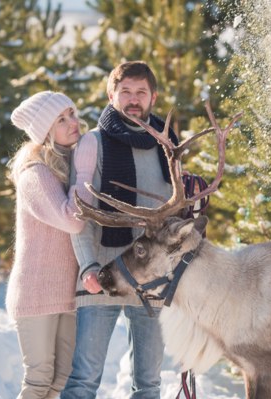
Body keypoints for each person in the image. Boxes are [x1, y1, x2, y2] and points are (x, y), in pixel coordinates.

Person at [61, 61, 178, 399]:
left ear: (153, 97)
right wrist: (88, 267)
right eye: (125, 91)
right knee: (84, 379)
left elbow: (173, 214)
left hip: (153, 278)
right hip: (103, 273)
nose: (133, 99)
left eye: (140, 92)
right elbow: (79, 213)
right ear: (111, 94)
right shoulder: (92, 143)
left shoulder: (167, 145)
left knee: (149, 384)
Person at [6, 91, 90, 399]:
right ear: (45, 132)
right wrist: (85, 174)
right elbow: (72, 220)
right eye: (61, 119)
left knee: (61, 381)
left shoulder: (67, 165)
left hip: (67, 293)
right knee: (40, 380)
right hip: (36, 293)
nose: (73, 123)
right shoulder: (35, 174)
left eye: (71, 113)